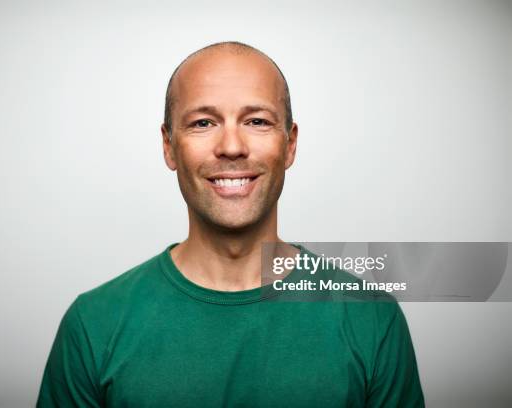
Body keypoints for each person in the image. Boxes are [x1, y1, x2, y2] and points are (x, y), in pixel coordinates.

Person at [37, 41, 425, 407]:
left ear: (289, 144)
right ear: (169, 146)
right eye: (204, 123)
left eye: (256, 121)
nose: (232, 146)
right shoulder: (93, 325)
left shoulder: (371, 318)